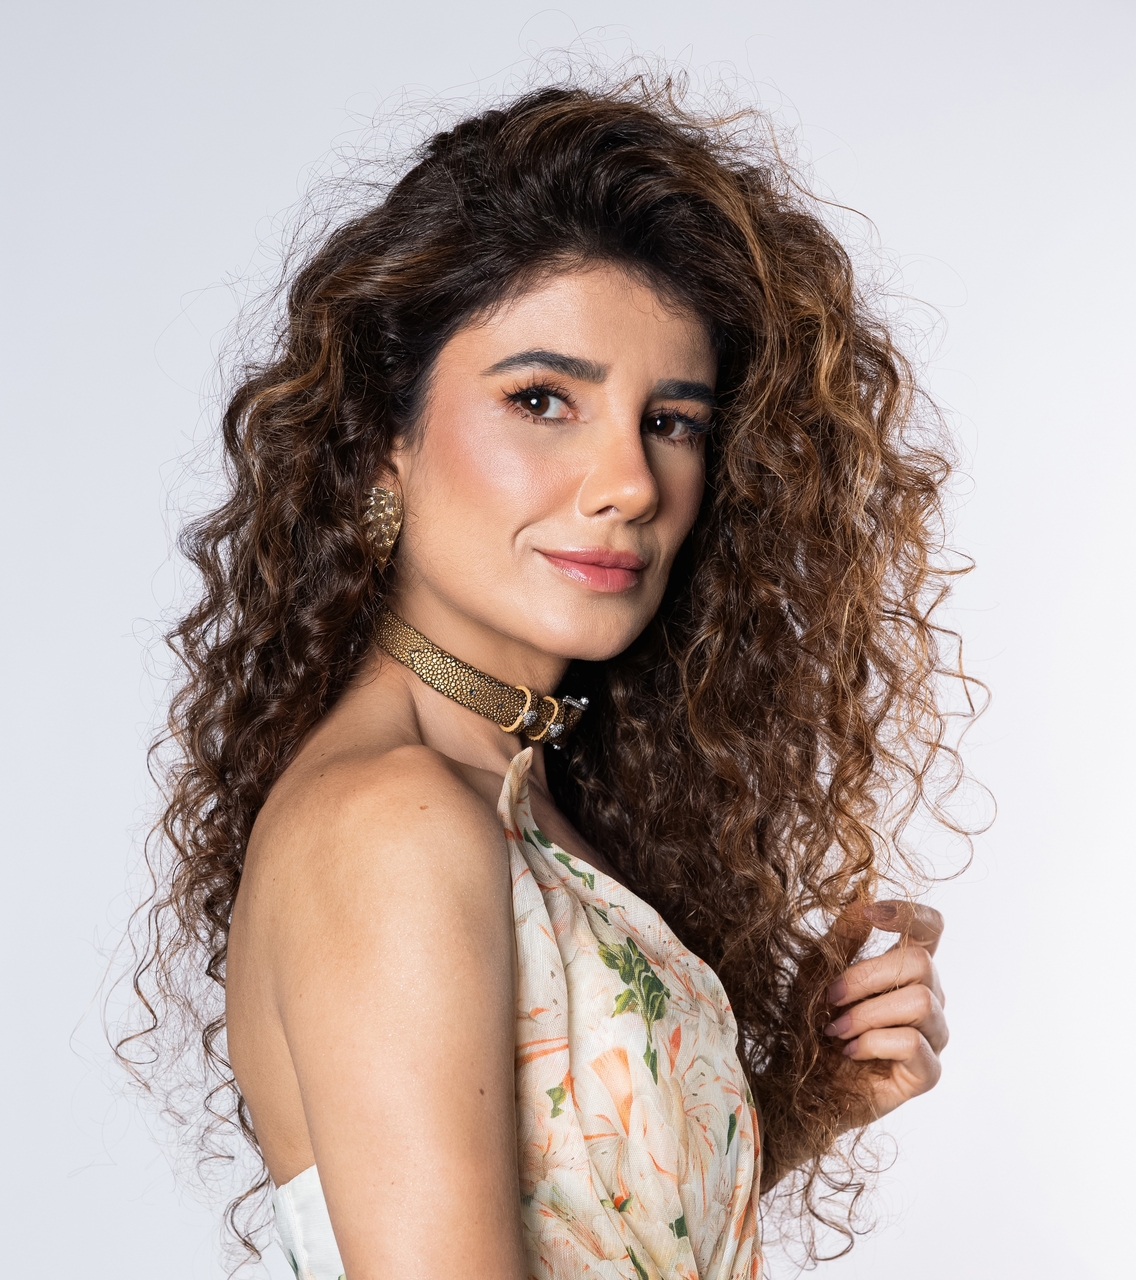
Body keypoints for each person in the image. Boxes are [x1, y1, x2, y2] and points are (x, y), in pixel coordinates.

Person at [132, 79, 958, 1280]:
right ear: (383, 443)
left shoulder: (501, 795)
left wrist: (807, 1098)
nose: (628, 482)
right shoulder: (393, 819)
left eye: (671, 420)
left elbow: (597, 1238)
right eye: (541, 400)